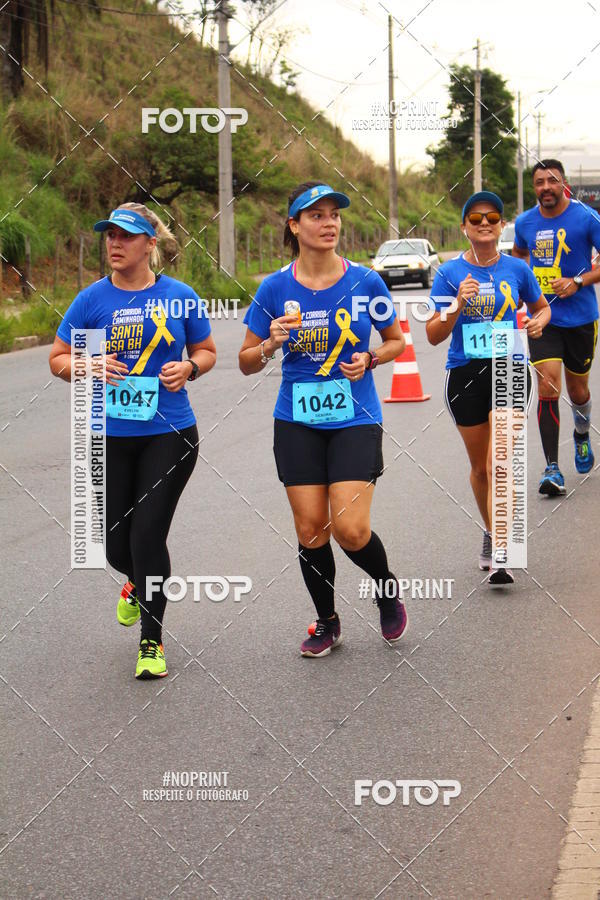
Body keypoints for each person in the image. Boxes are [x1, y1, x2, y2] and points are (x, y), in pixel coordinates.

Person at [239, 181, 407, 657]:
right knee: (311, 529)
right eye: (316, 215)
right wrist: (270, 342)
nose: (329, 222)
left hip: (355, 415)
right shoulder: (274, 287)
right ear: (294, 226)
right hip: (296, 420)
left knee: (350, 528)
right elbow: (246, 360)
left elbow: (395, 340)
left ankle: (385, 589)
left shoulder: (366, 282)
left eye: (334, 214)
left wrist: (371, 359)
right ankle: (327, 621)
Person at [49, 203, 216, 678]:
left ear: (149, 244)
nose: (114, 244)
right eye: (109, 236)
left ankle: (151, 643)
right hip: (108, 437)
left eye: (125, 236)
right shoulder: (90, 300)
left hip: (170, 433)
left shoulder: (180, 297)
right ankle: (135, 582)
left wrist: (189, 367)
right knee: (113, 546)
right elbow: (59, 359)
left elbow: (206, 351)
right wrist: (89, 366)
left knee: (147, 535)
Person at [426, 191, 550, 585]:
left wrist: (539, 321)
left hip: (510, 368)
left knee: (502, 460)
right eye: (475, 218)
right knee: (481, 468)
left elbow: (541, 306)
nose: (484, 223)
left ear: (501, 225)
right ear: (464, 227)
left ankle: (503, 550)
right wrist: (457, 304)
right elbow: (432, 334)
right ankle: (492, 530)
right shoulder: (448, 273)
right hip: (465, 373)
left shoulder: (517, 269)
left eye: (492, 218)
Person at [512, 159, 600, 495]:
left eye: (551, 181)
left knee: (578, 392)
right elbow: (519, 256)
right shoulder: (525, 222)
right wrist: (520, 287)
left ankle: (581, 430)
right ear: (533, 187)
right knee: (548, 385)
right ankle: (552, 468)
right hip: (543, 317)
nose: (545, 187)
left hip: (580, 318)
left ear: (563, 184)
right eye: (538, 182)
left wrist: (578, 280)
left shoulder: (586, 217)